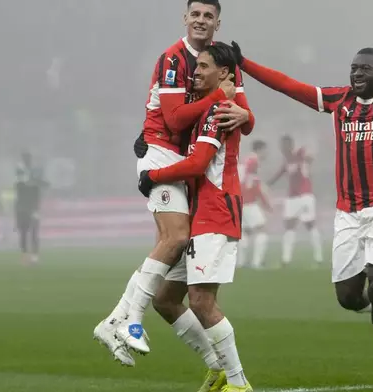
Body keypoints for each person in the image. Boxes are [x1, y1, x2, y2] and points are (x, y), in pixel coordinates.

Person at [230, 4, 373, 388]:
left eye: (364, 69)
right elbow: (290, 86)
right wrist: (246, 64)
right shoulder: (338, 103)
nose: (356, 73)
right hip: (348, 214)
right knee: (349, 298)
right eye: (353, 68)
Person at [94, 0, 255, 372]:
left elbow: (245, 119)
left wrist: (244, 112)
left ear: (218, 23)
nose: (201, 21)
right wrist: (221, 98)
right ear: (185, 18)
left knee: (169, 258)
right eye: (195, 14)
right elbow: (174, 117)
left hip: (180, 164)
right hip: (163, 156)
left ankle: (116, 321)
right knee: (174, 238)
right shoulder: (172, 59)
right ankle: (129, 319)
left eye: (208, 16)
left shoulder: (223, 60)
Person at [138, 41, 253, 392]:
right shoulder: (208, 106)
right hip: (198, 212)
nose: (196, 72)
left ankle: (238, 383)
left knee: (202, 301)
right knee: (165, 299)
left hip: (216, 212)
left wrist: (152, 176)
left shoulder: (219, 110)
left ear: (223, 74)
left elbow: (199, 163)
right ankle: (217, 367)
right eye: (196, 65)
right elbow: (172, 122)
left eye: (203, 67)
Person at [268, 135, 323, 267]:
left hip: (304, 195)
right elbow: (279, 174)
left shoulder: (300, 152)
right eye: (281, 146)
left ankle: (318, 257)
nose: (282, 148)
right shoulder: (287, 160)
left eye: (285, 145)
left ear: (291, 145)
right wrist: (268, 184)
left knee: (309, 225)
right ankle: (286, 259)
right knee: (290, 227)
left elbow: (310, 157)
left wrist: (308, 158)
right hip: (293, 197)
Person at [237, 139, 271, 269]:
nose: (266, 154)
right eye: (265, 151)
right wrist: (266, 203)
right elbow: (253, 184)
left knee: (245, 232)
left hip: (241, 201)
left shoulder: (246, 161)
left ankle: (240, 262)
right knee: (262, 229)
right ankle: (257, 263)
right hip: (248, 202)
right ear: (260, 150)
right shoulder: (254, 161)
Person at [15, 152, 48, 264]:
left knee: (34, 231)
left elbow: (45, 184)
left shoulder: (35, 173)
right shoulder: (20, 172)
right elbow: (19, 185)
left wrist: (36, 181)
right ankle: (25, 256)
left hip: (33, 207)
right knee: (24, 232)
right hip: (22, 207)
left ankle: (33, 256)